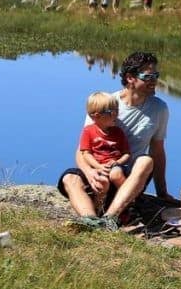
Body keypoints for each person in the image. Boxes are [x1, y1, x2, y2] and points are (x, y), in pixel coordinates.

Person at [68, 51, 173, 215]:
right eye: (148, 77)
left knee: (146, 161)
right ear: (130, 78)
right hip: (100, 171)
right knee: (69, 179)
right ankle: (90, 220)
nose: (154, 81)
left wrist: (162, 192)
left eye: (155, 75)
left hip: (129, 177)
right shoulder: (105, 103)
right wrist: (90, 173)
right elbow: (82, 150)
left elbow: (157, 151)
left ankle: (111, 217)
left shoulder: (160, 109)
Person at [57, 92, 140, 229]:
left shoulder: (118, 132)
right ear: (95, 116)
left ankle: (130, 203)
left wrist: (117, 162)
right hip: (98, 168)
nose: (116, 115)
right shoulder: (88, 131)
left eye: (117, 110)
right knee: (101, 184)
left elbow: (126, 153)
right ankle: (95, 216)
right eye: (111, 112)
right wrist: (97, 166)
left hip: (115, 165)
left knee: (116, 174)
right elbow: (86, 153)